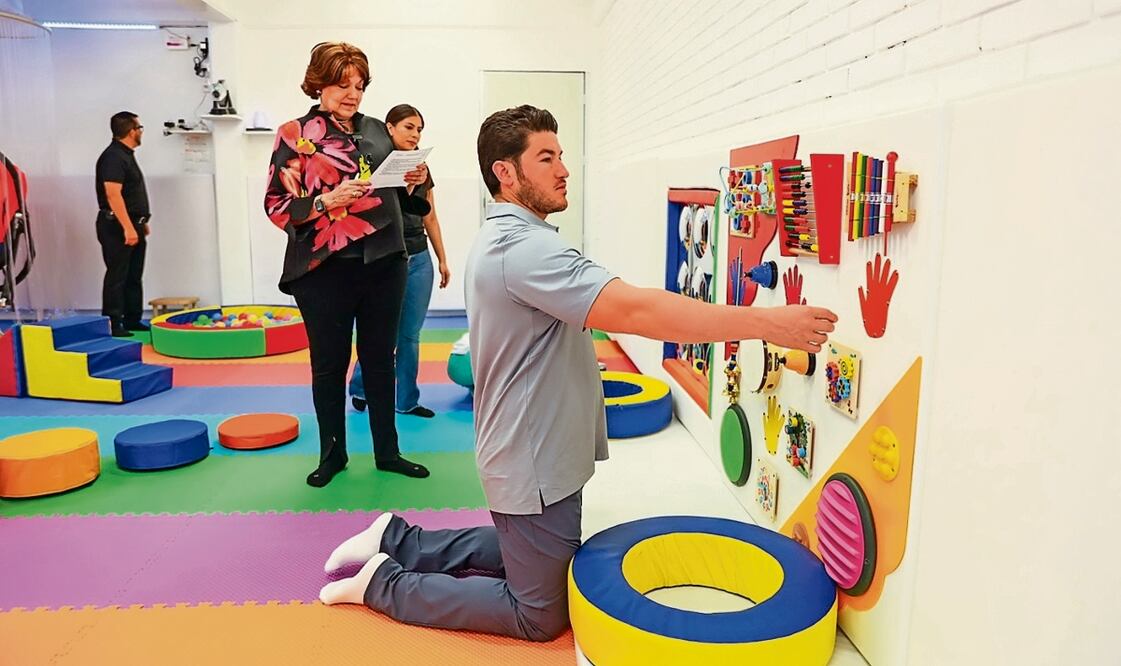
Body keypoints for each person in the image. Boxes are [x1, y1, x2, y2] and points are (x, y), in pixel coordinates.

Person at [317, 105, 838, 640]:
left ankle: (397, 539)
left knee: (543, 547)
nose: (564, 169)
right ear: (505, 172)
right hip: (531, 459)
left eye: (561, 155)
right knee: (538, 614)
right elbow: (639, 312)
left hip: (540, 450)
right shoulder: (523, 249)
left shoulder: (513, 237)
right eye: (546, 158)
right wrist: (764, 322)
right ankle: (384, 583)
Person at [263, 42, 431, 487]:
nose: (353, 93)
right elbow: (277, 205)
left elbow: (411, 205)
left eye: (359, 85)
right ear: (319, 82)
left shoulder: (378, 130)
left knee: (380, 360)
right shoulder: (293, 134)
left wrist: (418, 180)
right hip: (324, 269)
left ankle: (388, 452)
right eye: (343, 84)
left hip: (385, 263)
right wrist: (324, 200)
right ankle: (332, 455)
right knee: (329, 365)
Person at [350, 104, 451, 418]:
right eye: (409, 127)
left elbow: (429, 215)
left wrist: (442, 259)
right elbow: (373, 209)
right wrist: (403, 185)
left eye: (419, 129)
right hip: (387, 257)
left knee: (410, 334)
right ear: (389, 128)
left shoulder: (421, 166)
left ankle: (406, 400)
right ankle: (361, 387)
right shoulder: (373, 163)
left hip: (419, 257)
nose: (415, 134)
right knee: (381, 333)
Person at [95, 112, 151, 338]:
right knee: (117, 275)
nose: (141, 132)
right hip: (116, 226)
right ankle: (113, 321)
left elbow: (130, 193)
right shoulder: (113, 157)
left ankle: (132, 318)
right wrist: (127, 226)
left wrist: (140, 223)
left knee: (133, 274)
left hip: (133, 224)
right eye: (140, 127)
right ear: (132, 131)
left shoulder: (127, 155)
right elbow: (113, 194)